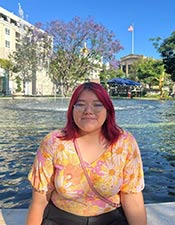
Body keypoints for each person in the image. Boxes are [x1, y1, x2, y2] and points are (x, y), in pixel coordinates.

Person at [26, 82, 147, 225]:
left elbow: (131, 197)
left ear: (108, 109)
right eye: (81, 104)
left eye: (97, 104)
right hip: (61, 218)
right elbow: (40, 199)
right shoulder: (53, 142)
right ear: (72, 109)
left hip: (110, 219)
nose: (88, 111)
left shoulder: (124, 143)